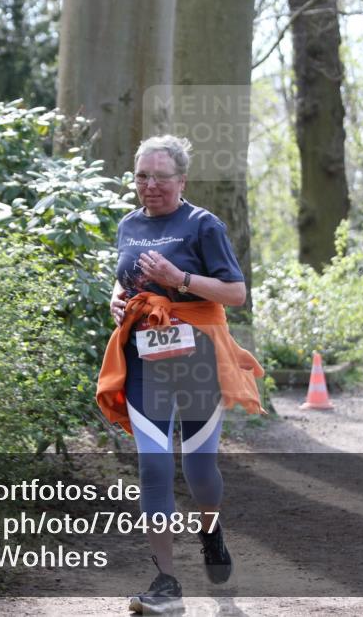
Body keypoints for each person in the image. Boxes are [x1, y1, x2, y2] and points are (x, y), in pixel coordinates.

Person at [95, 135, 265, 614]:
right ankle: (167, 583)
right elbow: (126, 273)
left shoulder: (202, 225)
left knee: (198, 468)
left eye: (160, 177)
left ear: (181, 180)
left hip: (198, 362)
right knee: (151, 468)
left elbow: (235, 294)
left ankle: (211, 536)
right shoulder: (129, 224)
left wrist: (181, 281)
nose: (150, 185)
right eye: (142, 176)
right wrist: (116, 296)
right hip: (144, 363)